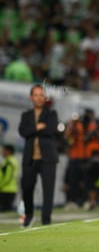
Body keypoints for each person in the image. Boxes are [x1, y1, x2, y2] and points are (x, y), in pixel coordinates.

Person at [18, 84, 59, 227]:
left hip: (48, 158)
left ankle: (46, 220)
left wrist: (33, 130)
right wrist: (37, 127)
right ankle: (28, 215)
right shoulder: (26, 115)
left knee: (48, 190)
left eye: (41, 95)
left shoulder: (51, 114)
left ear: (45, 97)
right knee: (27, 188)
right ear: (31, 97)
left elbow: (51, 130)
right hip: (30, 158)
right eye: (36, 95)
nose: (39, 98)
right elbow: (23, 132)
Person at [0, 144, 19, 211]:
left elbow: (8, 177)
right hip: (8, 189)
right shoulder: (9, 161)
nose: (2, 152)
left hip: (6, 189)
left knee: (5, 210)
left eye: (3, 150)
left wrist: (0, 185)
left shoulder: (9, 162)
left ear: (8, 151)